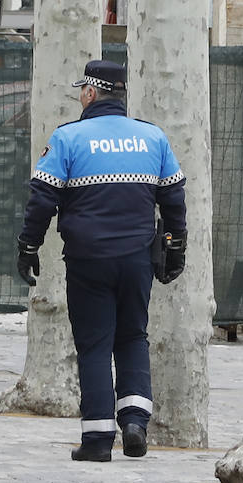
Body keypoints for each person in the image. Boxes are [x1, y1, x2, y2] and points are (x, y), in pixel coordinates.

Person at [16, 60, 187, 462]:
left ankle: (96, 439)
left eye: (82, 90)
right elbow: (174, 198)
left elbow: (42, 198)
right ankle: (134, 422)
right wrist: (175, 244)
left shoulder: (68, 138)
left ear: (91, 93)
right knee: (132, 336)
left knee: (94, 344)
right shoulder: (152, 137)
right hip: (137, 258)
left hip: (88, 258)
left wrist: (29, 245)